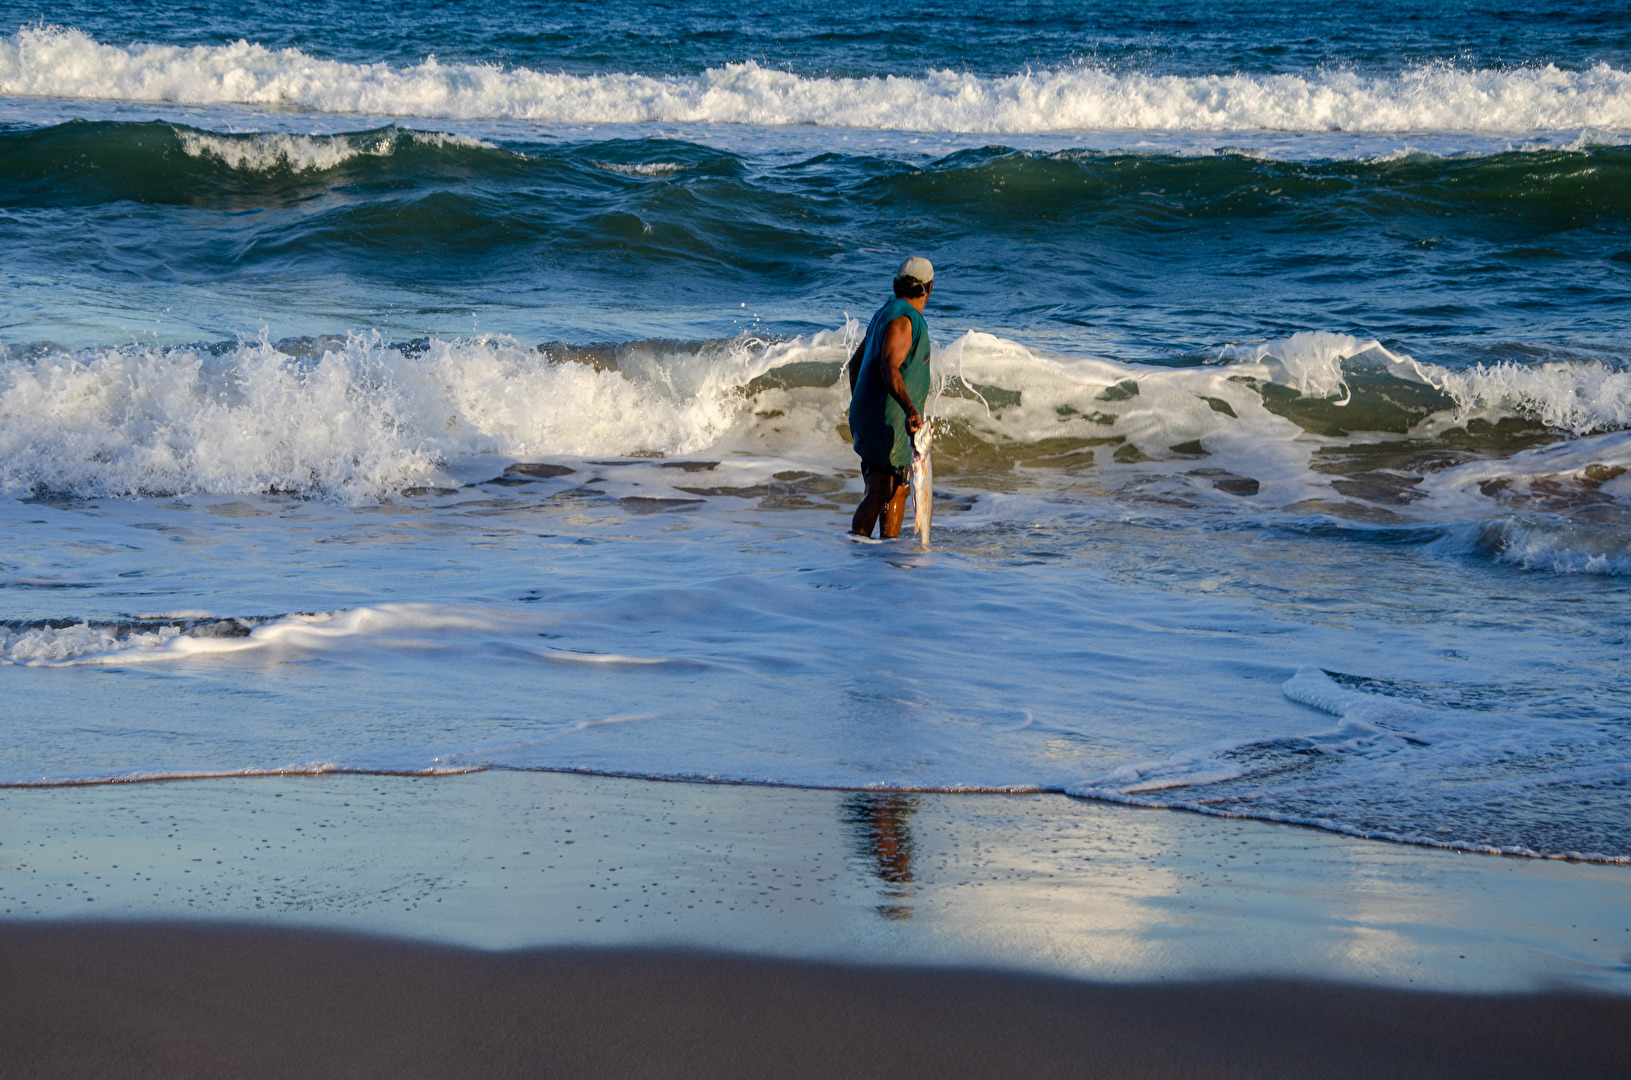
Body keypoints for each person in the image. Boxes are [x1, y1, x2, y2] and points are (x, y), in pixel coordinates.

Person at [847, 256, 934, 539]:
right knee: (883, 491)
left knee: (894, 489)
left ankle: (884, 554)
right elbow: (889, 367)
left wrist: (863, 406)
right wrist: (909, 409)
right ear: (928, 288)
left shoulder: (885, 313)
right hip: (889, 422)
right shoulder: (904, 319)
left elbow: (854, 366)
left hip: (877, 420)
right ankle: (859, 548)